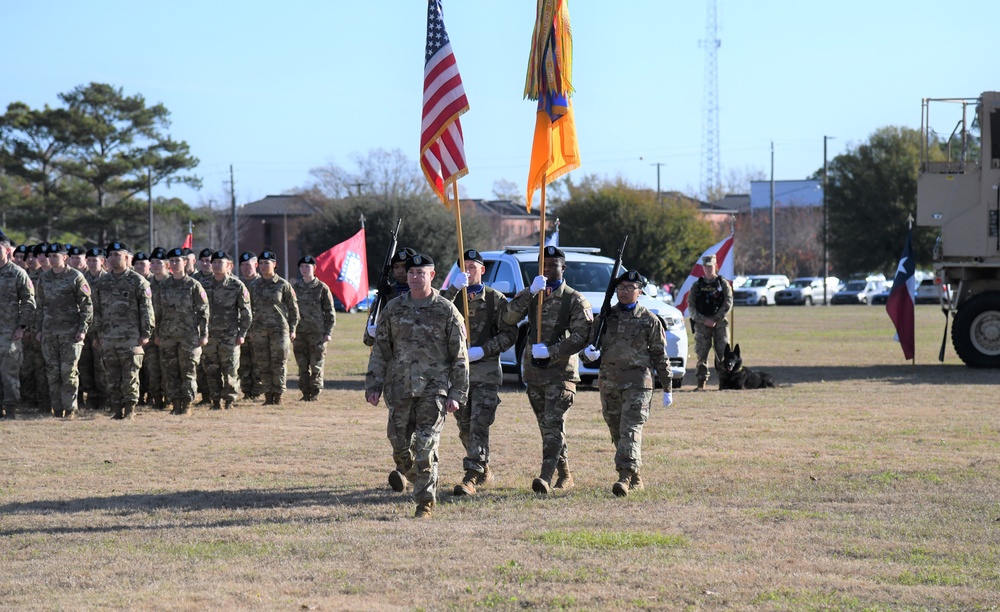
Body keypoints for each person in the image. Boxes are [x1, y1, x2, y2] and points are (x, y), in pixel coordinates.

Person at [365, 253, 469, 518]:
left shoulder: (446, 310)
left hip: (433, 391)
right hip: (399, 390)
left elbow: (460, 356)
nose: (414, 277)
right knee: (399, 449)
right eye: (411, 273)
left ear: (431, 276)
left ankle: (425, 501)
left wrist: (457, 393)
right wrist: (374, 384)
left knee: (425, 446)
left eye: (420, 273)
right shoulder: (394, 309)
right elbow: (381, 350)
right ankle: (419, 479)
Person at [501, 245, 592, 495]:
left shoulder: (574, 299)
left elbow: (582, 335)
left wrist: (552, 350)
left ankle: (545, 476)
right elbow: (508, 318)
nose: (548, 269)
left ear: (564, 268)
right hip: (534, 373)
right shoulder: (532, 294)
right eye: (544, 265)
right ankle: (565, 474)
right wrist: (529, 292)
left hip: (561, 374)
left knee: (553, 424)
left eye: (553, 265)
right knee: (548, 427)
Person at [583, 270, 673, 497]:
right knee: (617, 431)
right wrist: (589, 355)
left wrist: (667, 386)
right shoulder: (605, 318)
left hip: (638, 384)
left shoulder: (649, 320)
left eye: (630, 288)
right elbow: (589, 349)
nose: (624, 292)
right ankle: (636, 476)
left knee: (631, 429)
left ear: (639, 292)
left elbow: (660, 355)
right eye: (621, 287)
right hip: (609, 383)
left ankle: (624, 476)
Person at [443, 249, 518, 496]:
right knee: (464, 426)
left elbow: (510, 334)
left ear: (482, 270)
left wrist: (483, 350)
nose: (467, 272)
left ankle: (472, 475)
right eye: (462, 268)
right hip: (458, 375)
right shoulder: (451, 298)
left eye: (472, 267)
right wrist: (453, 289)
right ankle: (483, 468)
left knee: (478, 425)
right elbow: (433, 314)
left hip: (485, 373)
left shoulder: (496, 300)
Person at [92, 242, 154, 420]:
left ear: (127, 258)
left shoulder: (137, 281)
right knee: (112, 377)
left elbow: (147, 310)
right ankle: (117, 409)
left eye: (117, 255)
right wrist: (97, 334)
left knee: (130, 377)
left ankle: (129, 410)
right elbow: (97, 310)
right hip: (109, 338)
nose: (113, 258)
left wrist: (145, 333)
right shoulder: (102, 282)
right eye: (110, 255)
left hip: (130, 338)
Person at [34, 242, 93, 419]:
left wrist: (82, 329)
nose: (51, 259)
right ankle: (57, 409)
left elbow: (86, 306)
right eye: (49, 256)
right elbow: (40, 306)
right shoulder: (44, 278)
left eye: (55, 256)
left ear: (64, 257)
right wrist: (39, 329)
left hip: (70, 332)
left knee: (68, 372)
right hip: (50, 332)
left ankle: (70, 408)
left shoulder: (76, 277)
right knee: (52, 372)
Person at [153, 247, 209, 415]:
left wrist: (204, 334)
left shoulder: (193, 285)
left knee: (188, 372)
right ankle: (175, 403)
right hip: (168, 335)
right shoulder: (163, 286)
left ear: (185, 262)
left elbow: (203, 311)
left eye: (178, 261)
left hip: (189, 336)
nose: (175, 264)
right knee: (170, 371)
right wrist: (157, 334)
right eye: (172, 261)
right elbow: (157, 312)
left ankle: (187, 405)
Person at [202, 250, 252, 410]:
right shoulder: (203, 285)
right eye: (214, 262)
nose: (216, 265)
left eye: (220, 262)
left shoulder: (236, 286)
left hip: (230, 336)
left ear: (228, 265)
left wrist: (242, 334)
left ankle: (229, 400)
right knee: (211, 369)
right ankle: (215, 400)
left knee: (230, 370)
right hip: (209, 336)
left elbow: (246, 313)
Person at [248, 250, 298, 406]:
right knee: (263, 363)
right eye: (261, 263)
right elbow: (248, 308)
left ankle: (278, 394)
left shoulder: (283, 285)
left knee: (279, 363)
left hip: (280, 330)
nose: (263, 266)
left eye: (266, 263)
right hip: (259, 330)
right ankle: (268, 394)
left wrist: (293, 329)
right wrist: (249, 329)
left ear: (274, 265)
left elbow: (293, 308)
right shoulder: (254, 285)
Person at [0, 230, 36, 419]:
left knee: (9, 375)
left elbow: (29, 302)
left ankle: (11, 409)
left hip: (9, 333)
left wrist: (21, 327)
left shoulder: (17, 273)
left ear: (7, 251)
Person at [292, 255, 335, 401]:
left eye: (308, 266)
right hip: (300, 332)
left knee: (316, 364)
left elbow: (330, 311)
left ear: (314, 268)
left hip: (317, 333)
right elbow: (291, 310)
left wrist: (328, 332)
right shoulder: (295, 288)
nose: (304, 269)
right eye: (302, 266)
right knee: (302, 365)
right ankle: (305, 392)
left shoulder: (322, 288)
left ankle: (315, 392)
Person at [689, 254, 732, 391]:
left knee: (723, 354)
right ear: (703, 267)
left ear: (716, 267)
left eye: (711, 266)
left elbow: (728, 302)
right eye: (706, 266)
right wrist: (703, 320)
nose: (708, 269)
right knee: (702, 354)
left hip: (719, 324)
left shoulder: (722, 284)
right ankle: (701, 383)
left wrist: (715, 319)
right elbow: (691, 306)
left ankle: (724, 382)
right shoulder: (697, 285)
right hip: (702, 325)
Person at [363, 246, 416, 346]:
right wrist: (374, 332)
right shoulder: (385, 295)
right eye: (396, 267)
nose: (400, 271)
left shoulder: (423, 294)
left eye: (404, 266)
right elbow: (368, 340)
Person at [20, 244, 49, 411]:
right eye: (31, 256)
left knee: (46, 368)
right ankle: (31, 401)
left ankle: (47, 402)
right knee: (29, 367)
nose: (37, 259)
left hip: (49, 328)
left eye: (42, 255)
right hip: (29, 329)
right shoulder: (26, 277)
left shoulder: (53, 277)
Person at [79, 247, 108, 411]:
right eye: (89, 260)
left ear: (102, 261)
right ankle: (91, 396)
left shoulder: (107, 280)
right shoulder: (81, 279)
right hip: (85, 328)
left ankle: (104, 398)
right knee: (85, 364)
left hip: (101, 329)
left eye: (94, 260)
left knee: (101, 365)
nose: (91, 263)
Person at [144, 248, 169, 410]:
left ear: (166, 265)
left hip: (169, 333)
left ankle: (169, 397)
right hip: (151, 334)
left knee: (168, 368)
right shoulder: (146, 284)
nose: (155, 265)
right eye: (152, 262)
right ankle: (156, 398)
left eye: (159, 262)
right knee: (152, 368)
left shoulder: (173, 283)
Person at [237, 252, 260, 400]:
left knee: (258, 361)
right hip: (240, 331)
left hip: (259, 330)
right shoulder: (237, 284)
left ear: (256, 265)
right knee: (243, 363)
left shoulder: (262, 283)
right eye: (243, 265)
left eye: (249, 265)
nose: (246, 268)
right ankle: (246, 391)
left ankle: (257, 391)